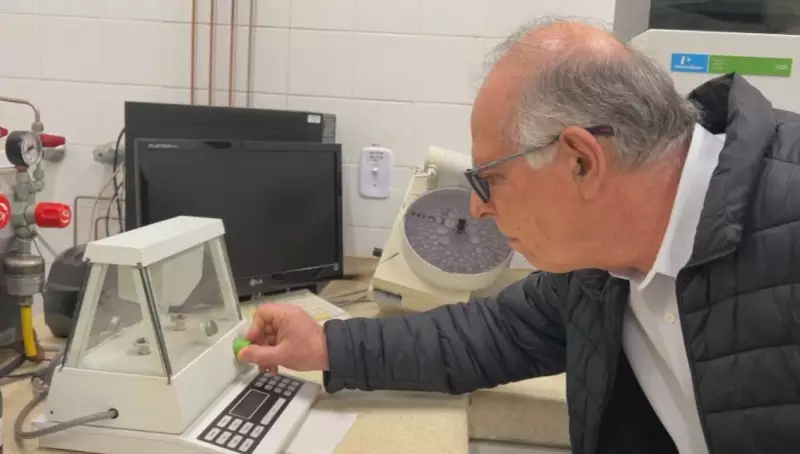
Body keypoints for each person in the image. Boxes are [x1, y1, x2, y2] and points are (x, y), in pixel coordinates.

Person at [238, 18, 800, 454]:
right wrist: (327, 344)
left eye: (490, 179)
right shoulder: (600, 271)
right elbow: (496, 332)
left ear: (581, 160)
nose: (478, 209)